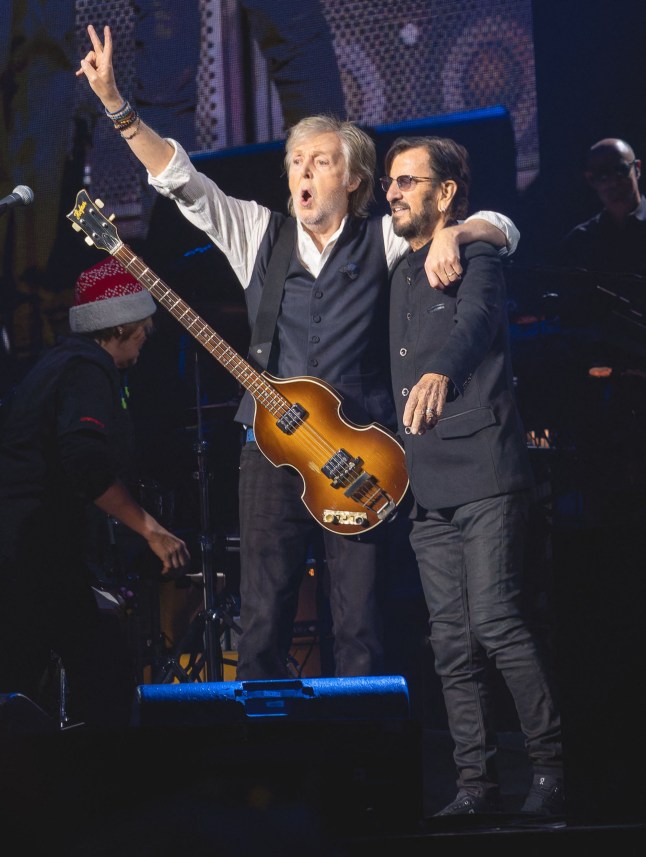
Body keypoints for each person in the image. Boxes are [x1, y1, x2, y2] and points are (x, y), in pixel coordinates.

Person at [76, 24, 519, 681]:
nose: (302, 172)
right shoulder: (259, 231)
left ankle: (365, 769)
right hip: (268, 451)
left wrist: (457, 231)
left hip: (358, 453)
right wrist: (117, 106)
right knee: (262, 623)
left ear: (355, 179)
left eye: (320, 160)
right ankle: (272, 768)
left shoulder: (386, 241)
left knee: (361, 625)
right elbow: (178, 175)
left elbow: (506, 229)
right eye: (296, 161)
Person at [385, 136, 564, 816]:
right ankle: (475, 784)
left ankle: (549, 770)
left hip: (485, 467)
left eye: (408, 181)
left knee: (496, 621)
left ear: (447, 191)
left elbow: (481, 319)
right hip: (427, 483)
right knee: (450, 641)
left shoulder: (474, 249)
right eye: (391, 183)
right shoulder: (401, 264)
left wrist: (442, 370)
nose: (394, 191)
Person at [0, 257, 191, 729]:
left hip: (26, 545)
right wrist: (152, 530)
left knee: (25, 670)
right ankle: (106, 788)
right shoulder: (88, 370)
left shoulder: (59, 362)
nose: (146, 341)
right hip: (32, 547)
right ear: (122, 328)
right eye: (143, 330)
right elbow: (84, 464)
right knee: (103, 674)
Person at [556, 137, 646, 276]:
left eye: (621, 169)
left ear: (637, 168)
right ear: (591, 179)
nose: (613, 181)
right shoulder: (580, 241)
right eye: (603, 174)